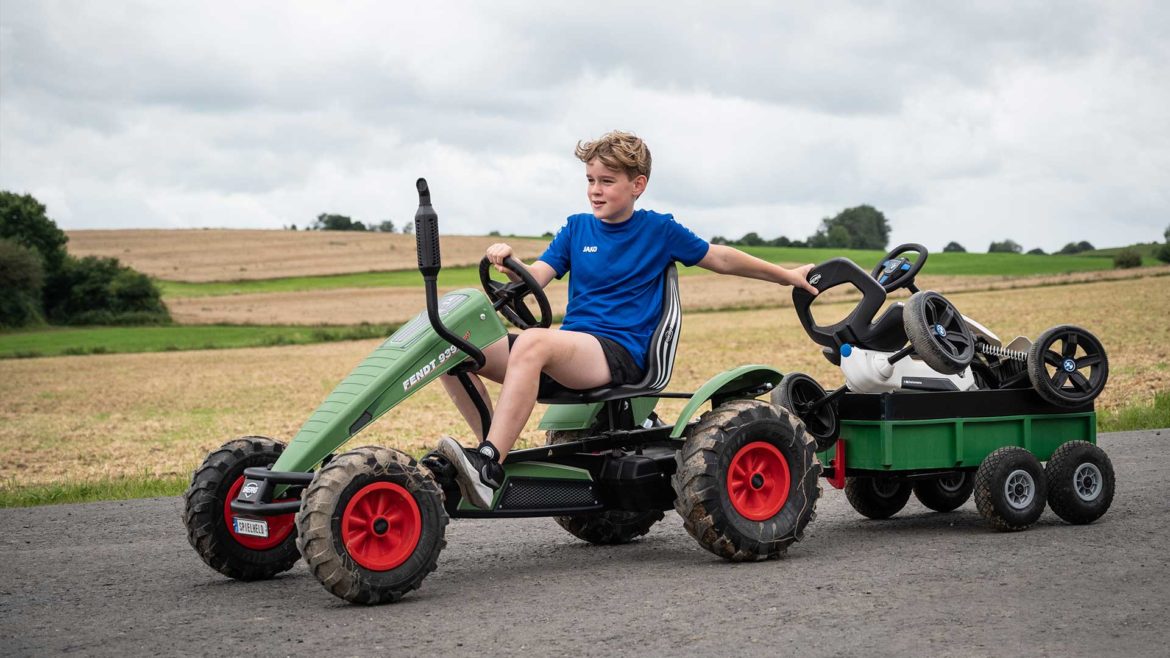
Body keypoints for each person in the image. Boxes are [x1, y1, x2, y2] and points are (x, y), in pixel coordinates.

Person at [431, 130, 818, 508]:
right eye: (590, 180)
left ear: (638, 185)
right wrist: (506, 261)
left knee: (534, 341)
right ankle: (492, 455)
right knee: (451, 348)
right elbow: (537, 276)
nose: (595, 190)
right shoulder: (576, 228)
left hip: (620, 353)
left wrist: (787, 275)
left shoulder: (658, 229)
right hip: (571, 352)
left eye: (607, 181)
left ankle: (488, 463)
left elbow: (720, 257)